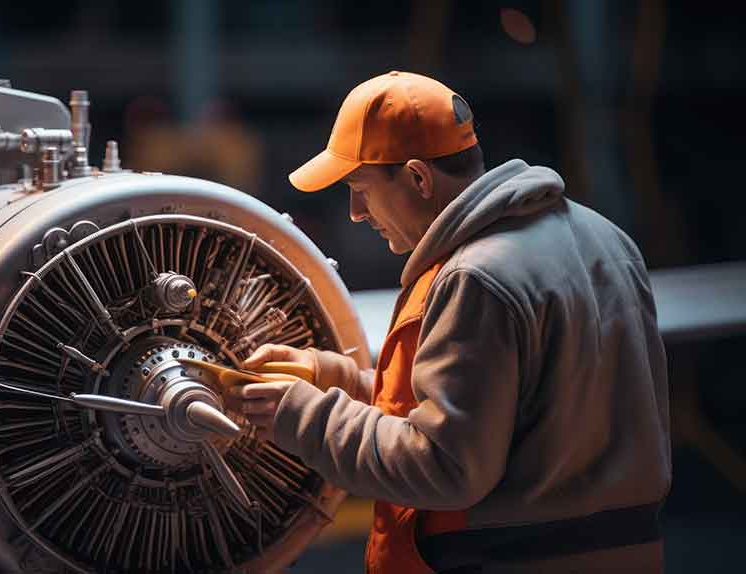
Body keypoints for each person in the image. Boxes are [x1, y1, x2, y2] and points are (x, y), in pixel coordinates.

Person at [230, 71, 671, 573]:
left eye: (359, 187)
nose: (355, 212)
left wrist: (302, 415)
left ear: (418, 178)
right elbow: (503, 414)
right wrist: (336, 381)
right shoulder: (607, 240)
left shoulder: (476, 276)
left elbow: (446, 466)